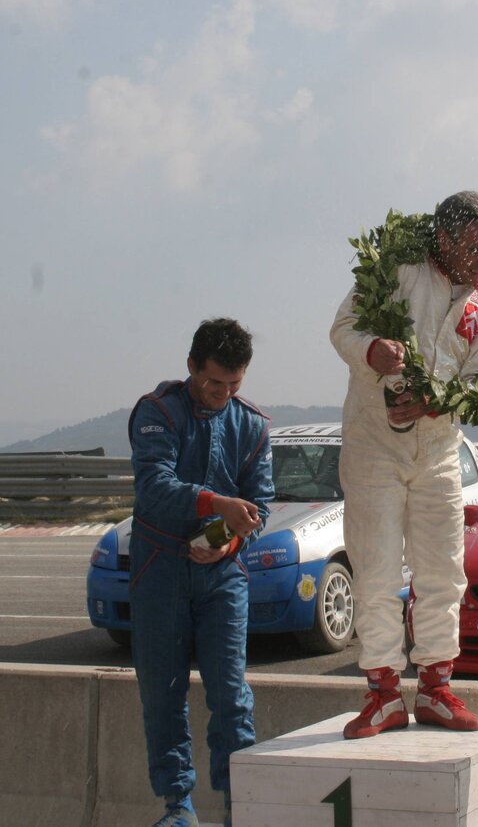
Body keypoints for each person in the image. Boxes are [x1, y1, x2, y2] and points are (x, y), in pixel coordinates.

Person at [329, 191, 478, 739]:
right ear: (444, 239)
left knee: (443, 573)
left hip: (438, 453)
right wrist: (371, 350)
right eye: (475, 249)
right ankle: (382, 693)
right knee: (377, 568)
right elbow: (343, 329)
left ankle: (435, 688)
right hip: (374, 447)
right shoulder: (394, 270)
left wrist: (436, 402)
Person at [128, 318, 273, 827]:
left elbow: (262, 506)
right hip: (158, 569)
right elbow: (154, 488)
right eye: (214, 383)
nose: (223, 394)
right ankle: (177, 807)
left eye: (235, 385)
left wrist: (230, 539)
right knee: (162, 693)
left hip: (223, 576)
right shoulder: (157, 411)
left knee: (231, 697)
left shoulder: (252, 424)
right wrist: (216, 502)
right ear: (191, 367)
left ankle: (241, 805)